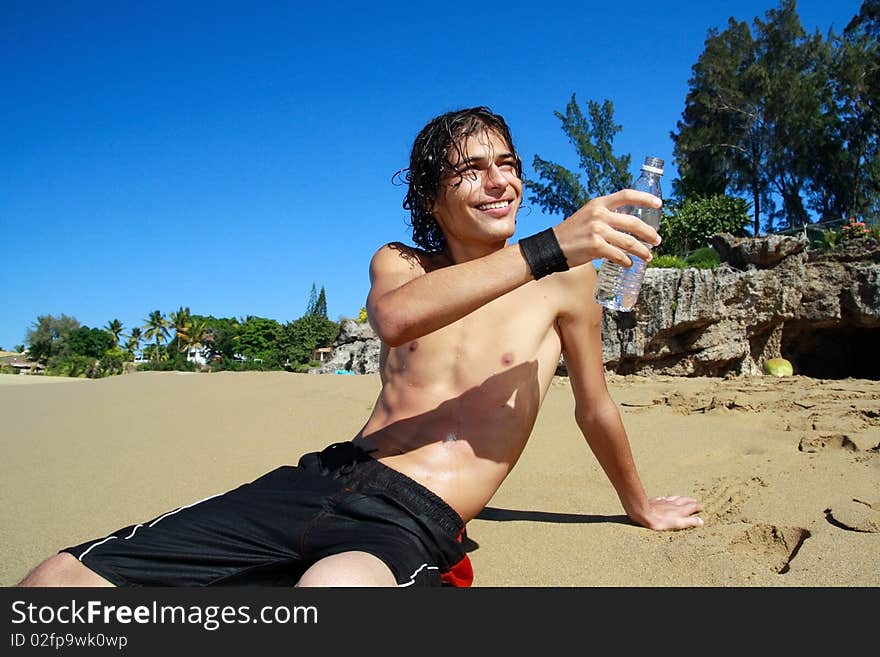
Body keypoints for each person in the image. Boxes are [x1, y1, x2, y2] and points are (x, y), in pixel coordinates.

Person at [18, 106, 702, 588]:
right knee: (54, 581)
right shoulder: (402, 263)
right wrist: (551, 243)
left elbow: (594, 406)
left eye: (508, 163)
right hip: (320, 478)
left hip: (411, 512)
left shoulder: (567, 283)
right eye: (472, 169)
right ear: (432, 198)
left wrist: (637, 501)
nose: (500, 181)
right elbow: (397, 320)